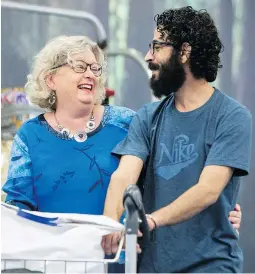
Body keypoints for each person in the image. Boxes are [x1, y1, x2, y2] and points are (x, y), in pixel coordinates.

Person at [102, 6, 251, 273]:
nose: (148, 56)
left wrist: (151, 221)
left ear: (184, 51)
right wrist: (110, 227)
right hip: (151, 266)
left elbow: (208, 190)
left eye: (156, 46)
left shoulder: (232, 116)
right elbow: (123, 177)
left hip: (211, 266)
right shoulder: (148, 116)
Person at [1, 35, 135, 272]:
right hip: (55, 265)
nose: (90, 74)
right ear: (51, 79)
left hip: (120, 262)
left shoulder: (125, 122)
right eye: (79, 66)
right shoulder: (29, 136)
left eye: (95, 68)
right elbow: (18, 208)